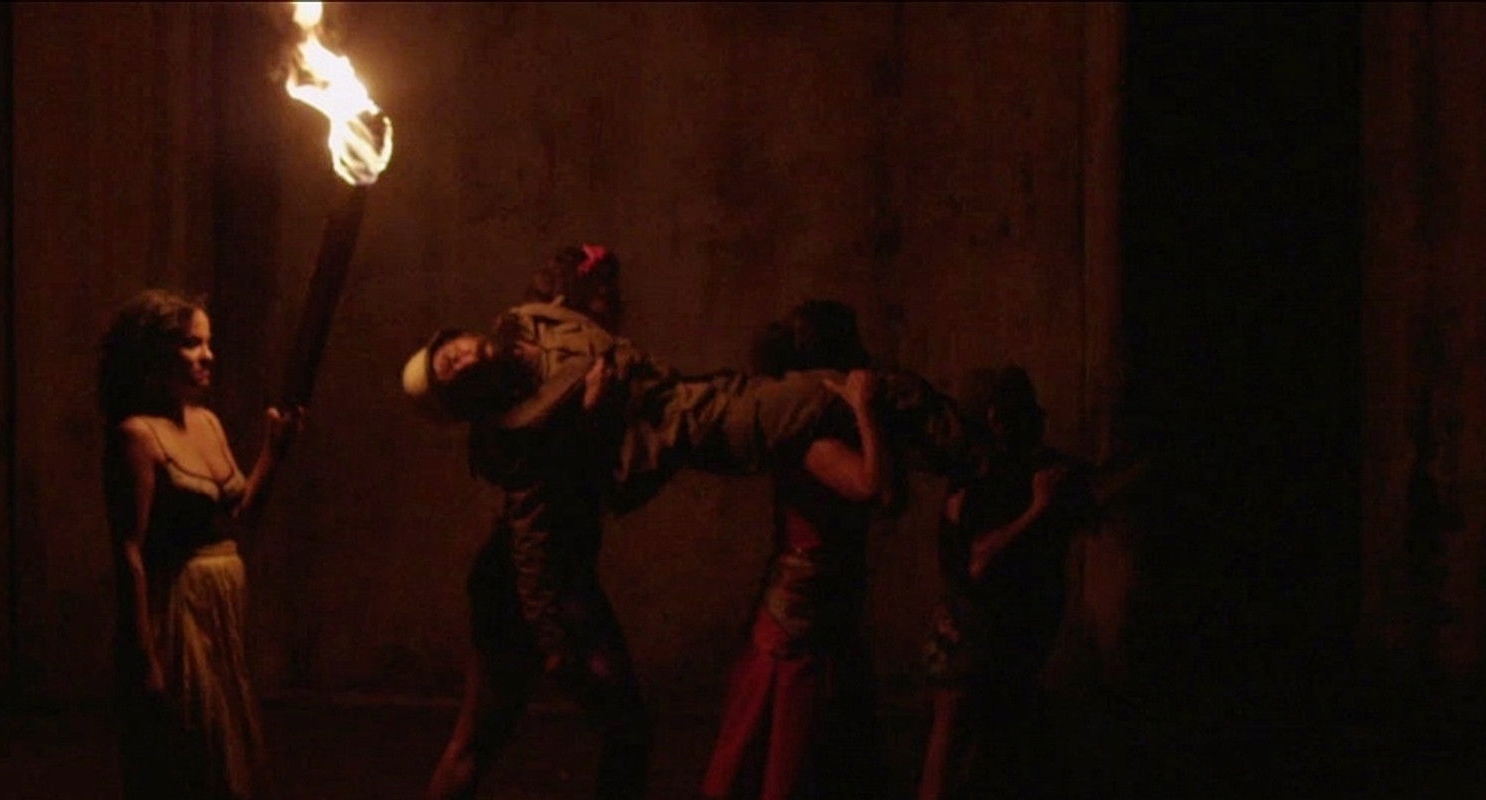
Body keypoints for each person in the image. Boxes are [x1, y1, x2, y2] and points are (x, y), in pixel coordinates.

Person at [407, 246, 963, 800]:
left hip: (565, 577)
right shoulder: (519, 441)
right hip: (529, 591)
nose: (461, 359)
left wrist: (586, 270)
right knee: (499, 739)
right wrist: (556, 646)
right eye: (452, 373)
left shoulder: (528, 327)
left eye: (450, 352)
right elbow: (537, 543)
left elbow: (576, 305)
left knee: (610, 732)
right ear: (467, 399)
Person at [100, 289, 302, 800]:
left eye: (208, 343)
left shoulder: (207, 422)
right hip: (177, 609)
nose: (208, 356)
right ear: (153, 353)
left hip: (220, 609)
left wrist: (273, 454)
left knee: (230, 741)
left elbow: (241, 516)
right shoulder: (137, 436)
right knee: (193, 746)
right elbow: (129, 550)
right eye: (192, 344)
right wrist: (143, 653)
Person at [702, 300, 892, 800]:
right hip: (802, 614)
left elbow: (890, 497)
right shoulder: (810, 433)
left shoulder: (821, 424)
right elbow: (869, 485)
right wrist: (864, 409)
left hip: (825, 608)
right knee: (786, 748)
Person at [915, 366, 1104, 800]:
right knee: (947, 760)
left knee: (986, 760)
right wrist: (1037, 510)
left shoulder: (1014, 472)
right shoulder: (977, 481)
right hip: (970, 644)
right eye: (1026, 414)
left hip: (1002, 648)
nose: (1038, 424)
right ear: (998, 418)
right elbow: (975, 562)